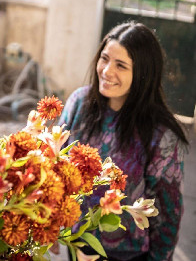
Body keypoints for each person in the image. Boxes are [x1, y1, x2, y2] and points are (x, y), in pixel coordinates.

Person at [59, 21, 188, 261]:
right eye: (104, 58)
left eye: (121, 65)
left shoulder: (161, 135)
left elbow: (167, 216)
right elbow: (55, 169)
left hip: (127, 255)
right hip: (76, 244)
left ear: (142, 73)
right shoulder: (79, 103)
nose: (107, 71)